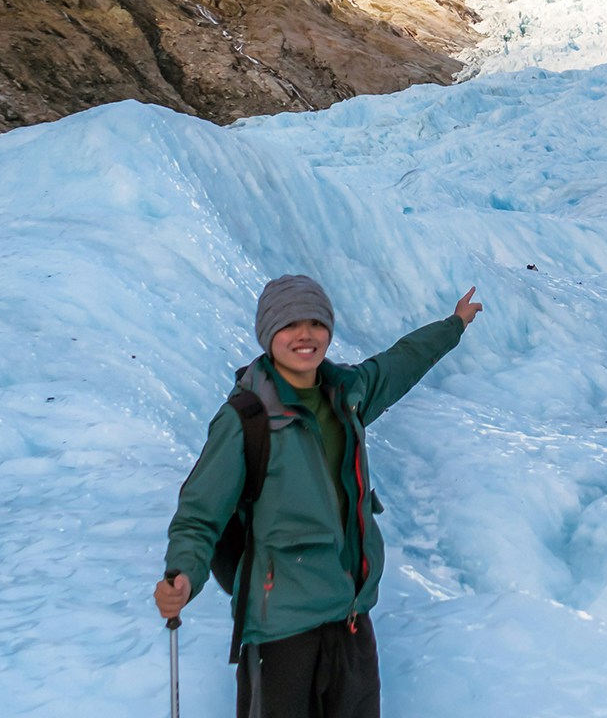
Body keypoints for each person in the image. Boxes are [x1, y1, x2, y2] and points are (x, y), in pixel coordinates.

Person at [154, 274, 482, 718]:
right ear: (269, 334)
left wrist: (453, 326)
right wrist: (184, 575)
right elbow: (200, 514)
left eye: (315, 322)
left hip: (350, 619)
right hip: (282, 629)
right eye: (289, 325)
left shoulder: (346, 394)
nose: (305, 335)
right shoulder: (244, 420)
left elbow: (399, 364)